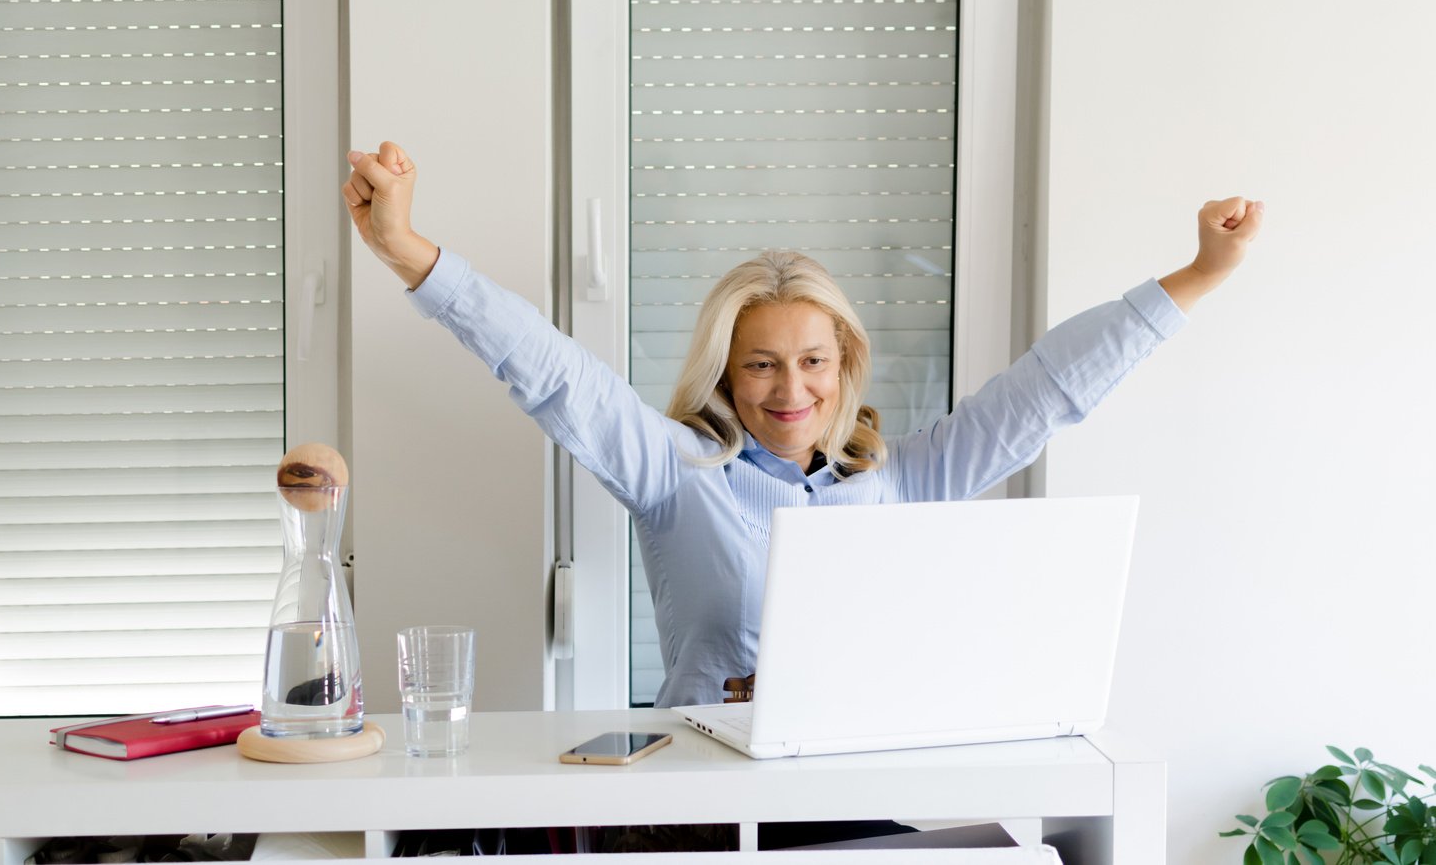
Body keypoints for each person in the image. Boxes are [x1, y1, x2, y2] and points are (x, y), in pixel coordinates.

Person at [343, 140, 1263, 709]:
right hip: (701, 800)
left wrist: (1197, 274)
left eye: (812, 361)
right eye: (760, 363)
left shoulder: (906, 477)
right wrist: (406, 251)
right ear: (726, 376)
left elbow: (1048, 391)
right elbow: (550, 372)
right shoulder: (675, 472)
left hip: (850, 794)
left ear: (844, 364)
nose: (791, 389)